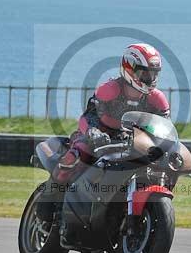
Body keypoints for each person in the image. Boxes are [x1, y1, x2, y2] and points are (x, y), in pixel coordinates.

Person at [36, 43, 170, 221]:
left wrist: (167, 145)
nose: (150, 78)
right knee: (76, 156)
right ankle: (47, 199)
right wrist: (93, 132)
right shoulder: (110, 90)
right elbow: (88, 116)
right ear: (130, 68)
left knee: (162, 168)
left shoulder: (157, 99)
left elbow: (164, 128)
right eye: (145, 72)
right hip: (98, 137)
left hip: (134, 142)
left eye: (154, 73)